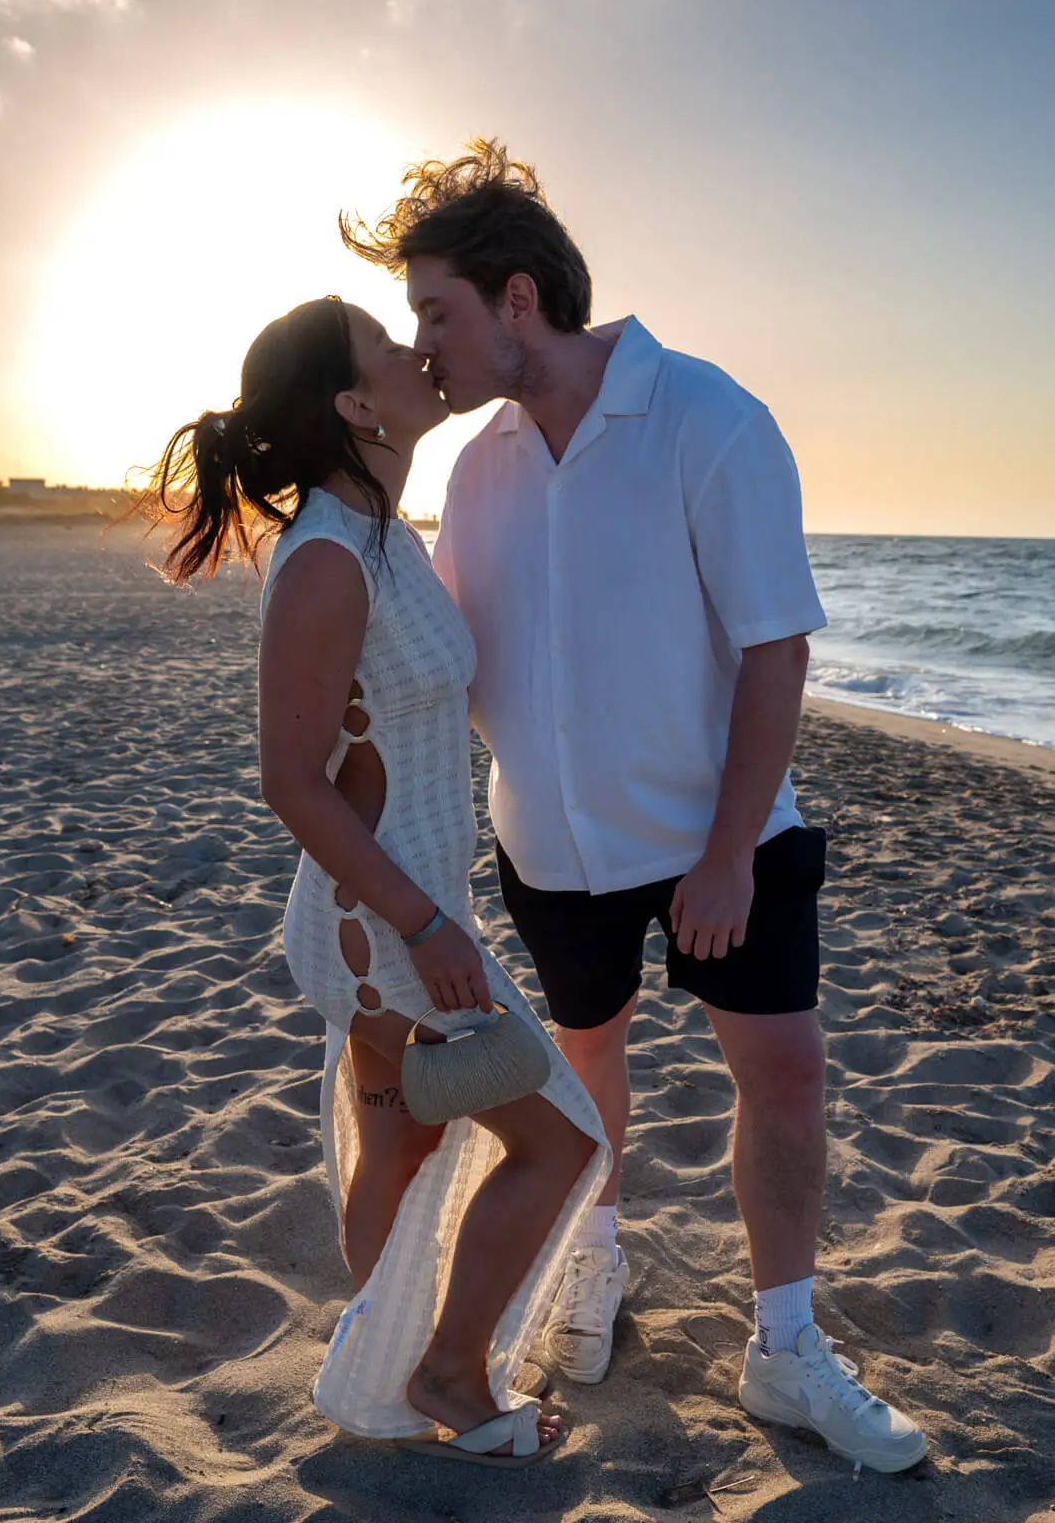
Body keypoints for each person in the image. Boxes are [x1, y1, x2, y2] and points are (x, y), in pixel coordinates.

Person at [341, 142, 928, 1474]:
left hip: (724, 841)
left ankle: (785, 1349)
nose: (424, 345)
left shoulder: (708, 418)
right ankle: (592, 1261)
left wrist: (724, 855)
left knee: (780, 1072)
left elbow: (776, 647)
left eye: (438, 311)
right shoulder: (478, 467)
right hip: (549, 848)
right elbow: (450, 651)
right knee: (586, 1064)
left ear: (518, 301)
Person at [145, 295, 610, 1465]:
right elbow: (291, 781)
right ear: (357, 405)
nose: (418, 354)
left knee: (399, 1152)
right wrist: (424, 923)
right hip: (381, 929)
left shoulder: (381, 533)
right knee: (563, 1142)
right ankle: (449, 1370)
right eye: (390, 345)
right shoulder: (322, 562)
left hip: (390, 917)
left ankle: (389, 1375)